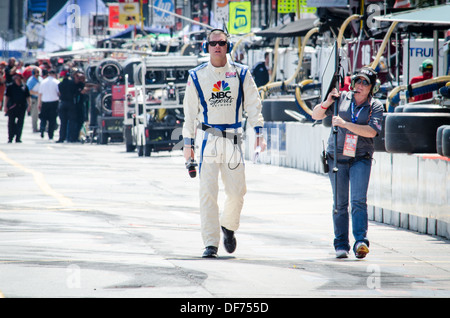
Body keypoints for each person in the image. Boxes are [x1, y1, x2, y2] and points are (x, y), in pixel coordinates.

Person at [182, 29, 266, 258]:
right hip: (208, 140)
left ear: (228, 46)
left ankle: (228, 227)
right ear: (206, 46)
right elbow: (189, 114)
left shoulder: (241, 73)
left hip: (234, 140)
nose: (217, 46)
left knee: (237, 192)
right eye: (213, 43)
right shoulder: (196, 75)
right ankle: (210, 243)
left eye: (221, 42)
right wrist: (187, 146)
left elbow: (253, 106)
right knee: (207, 193)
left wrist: (259, 134)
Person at [312, 66, 384, 259]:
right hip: (336, 157)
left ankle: (361, 241)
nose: (359, 86)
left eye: (365, 83)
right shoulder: (341, 98)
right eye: (357, 81)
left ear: (372, 88)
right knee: (339, 203)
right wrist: (327, 102)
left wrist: (345, 125)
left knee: (358, 201)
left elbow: (371, 132)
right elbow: (316, 115)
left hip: (360, 157)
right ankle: (341, 244)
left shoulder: (375, 106)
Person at [58, 70, 85, 142]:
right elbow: (78, 92)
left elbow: (59, 93)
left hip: (62, 103)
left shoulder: (60, 84)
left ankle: (61, 138)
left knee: (63, 122)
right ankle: (71, 137)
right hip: (71, 103)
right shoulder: (72, 84)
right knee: (72, 121)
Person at [3, 72, 31, 143]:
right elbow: (7, 97)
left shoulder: (24, 86)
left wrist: (29, 105)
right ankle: (10, 137)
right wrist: (5, 106)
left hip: (22, 107)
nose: (17, 78)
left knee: (20, 123)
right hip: (12, 107)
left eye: (19, 77)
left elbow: (28, 97)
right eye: (16, 77)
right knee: (11, 123)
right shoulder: (10, 86)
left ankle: (18, 137)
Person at [38, 69, 60, 140]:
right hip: (54, 102)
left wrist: (39, 103)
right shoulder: (56, 82)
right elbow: (58, 93)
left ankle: (42, 128)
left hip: (44, 102)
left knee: (43, 118)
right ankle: (50, 134)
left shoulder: (43, 82)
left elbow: (40, 94)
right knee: (52, 119)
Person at [26, 67, 42, 132]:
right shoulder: (31, 80)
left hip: (40, 98)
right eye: (36, 72)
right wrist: (37, 93)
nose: (38, 74)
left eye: (38, 72)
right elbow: (28, 90)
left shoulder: (40, 79)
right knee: (34, 114)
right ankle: (35, 127)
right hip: (34, 99)